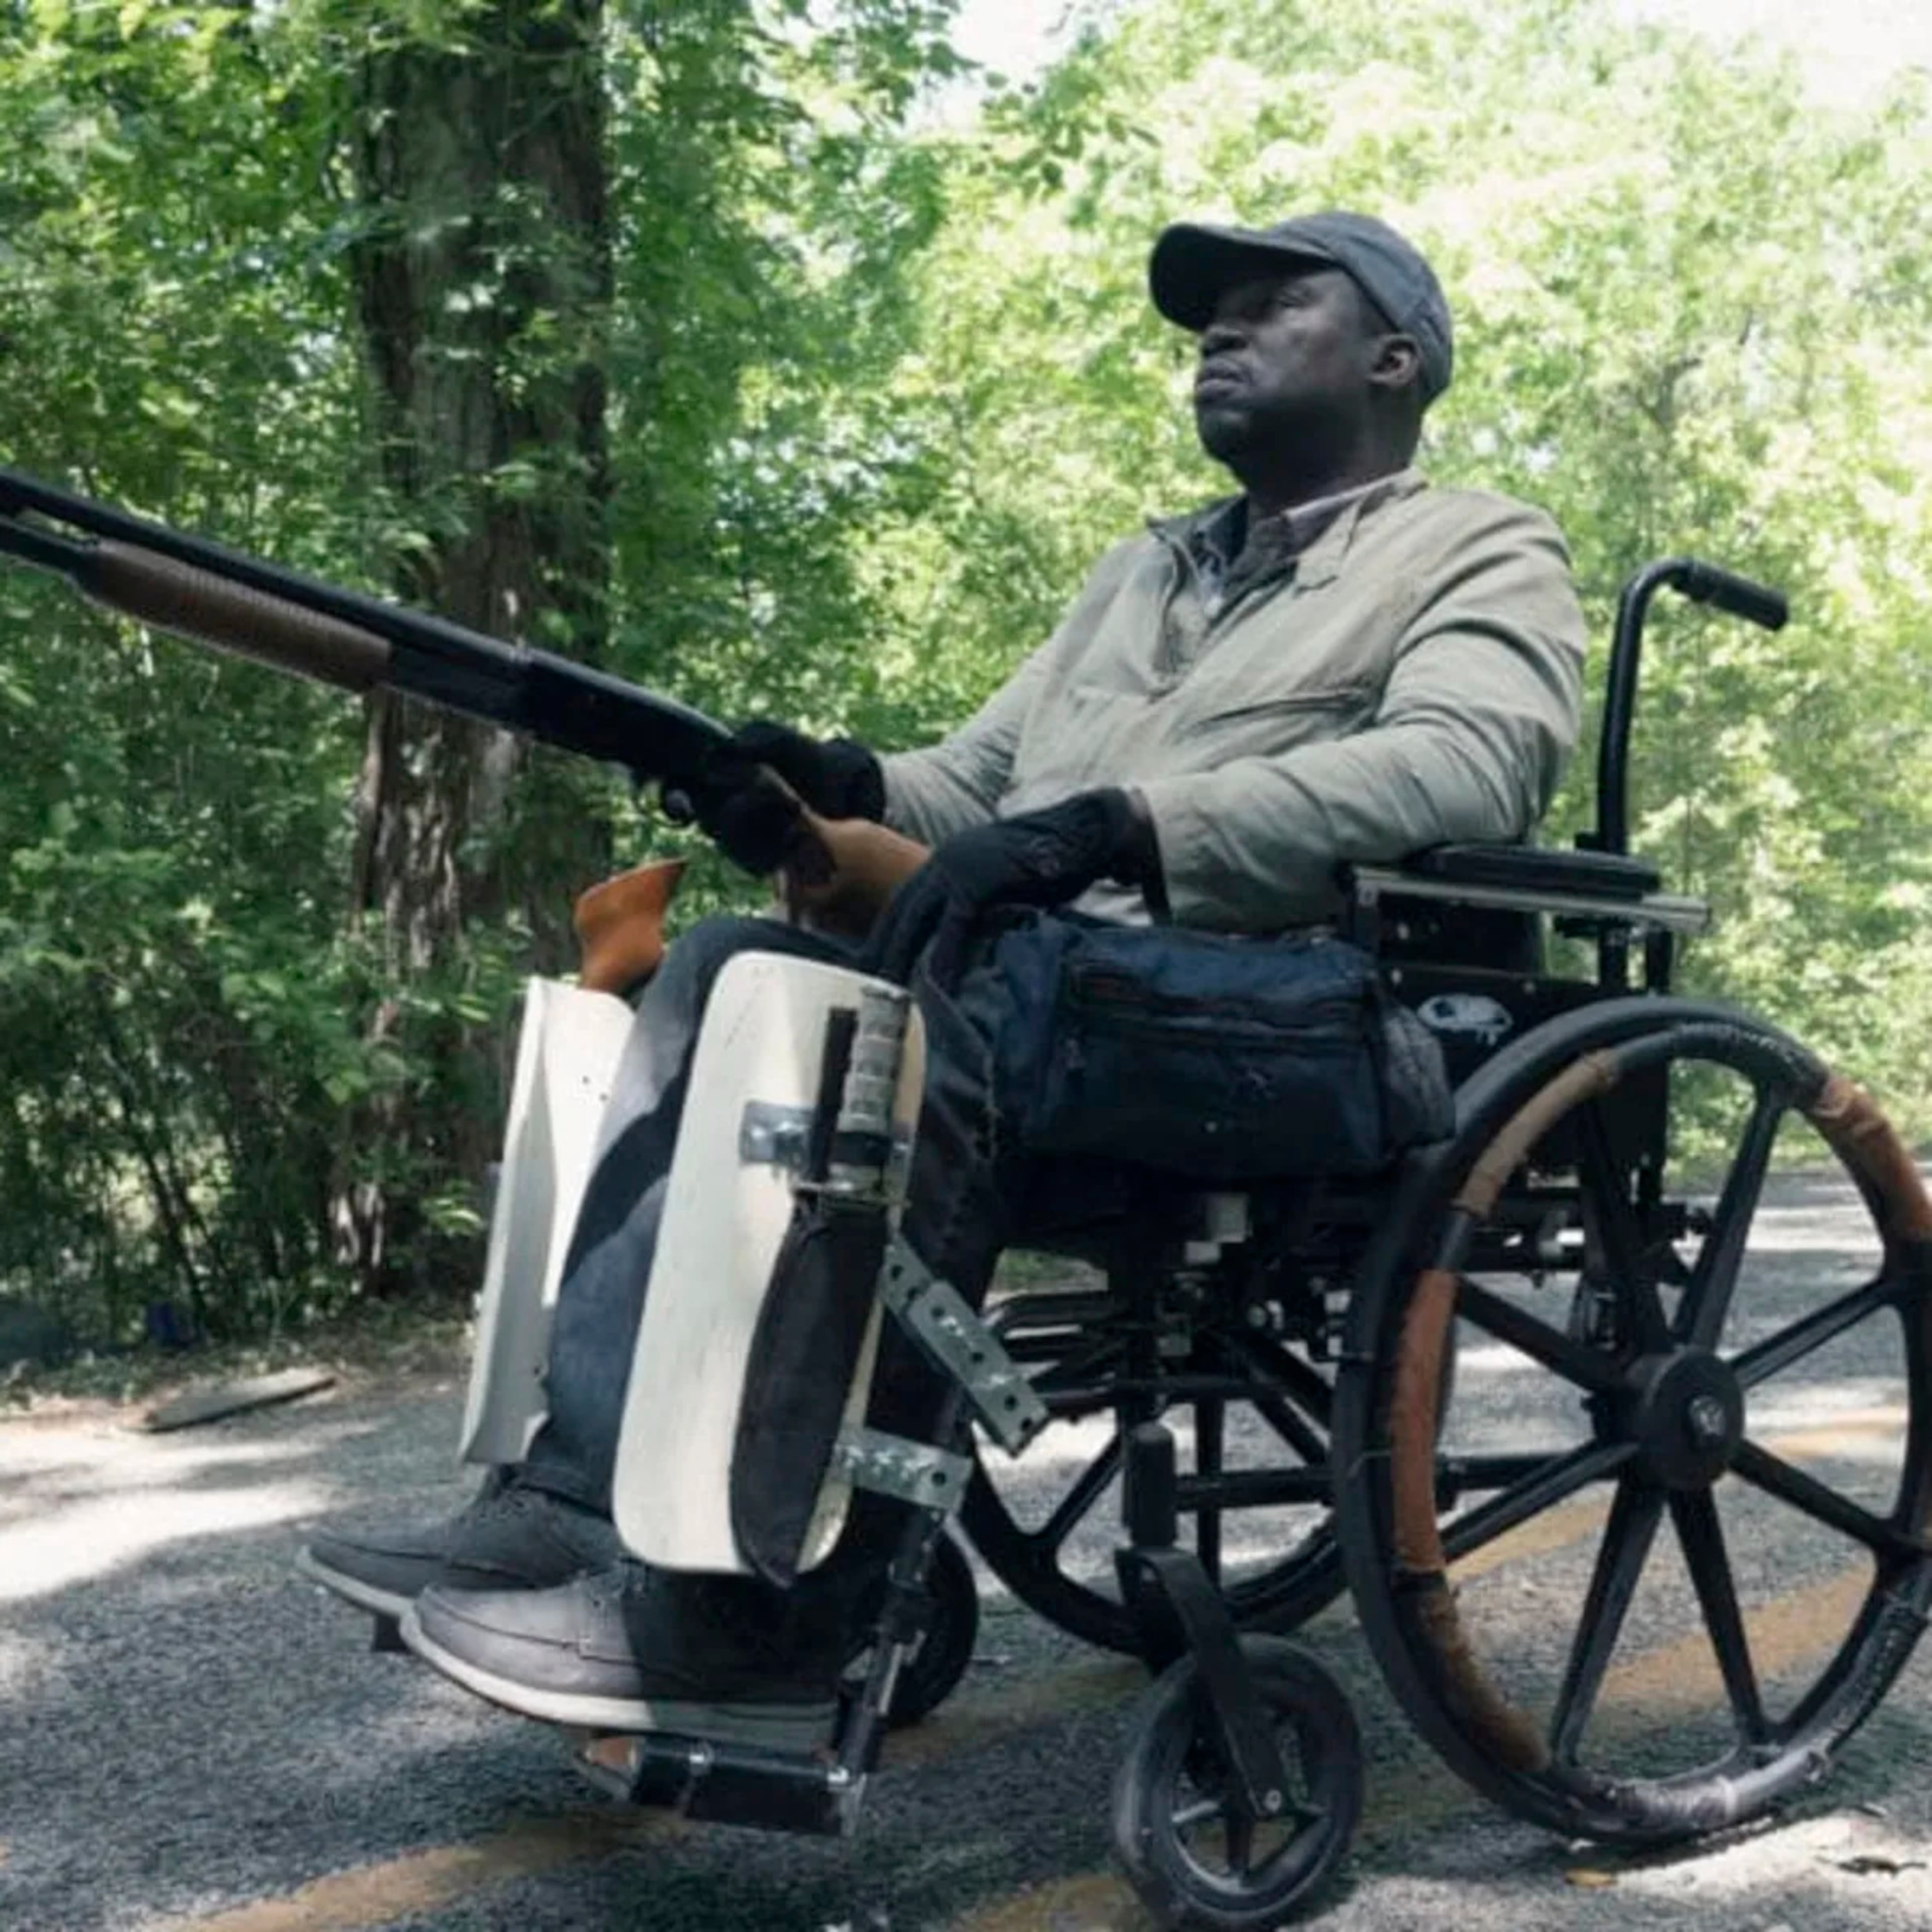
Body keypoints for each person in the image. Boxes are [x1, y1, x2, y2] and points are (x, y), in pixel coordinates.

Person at [299, 210, 1588, 1747]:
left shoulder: (1481, 543)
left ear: (1396, 356)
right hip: (1062, 988)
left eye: (1270, 305)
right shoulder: (1145, 570)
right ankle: (572, 1509)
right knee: (723, 968)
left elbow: (1474, 762)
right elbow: (972, 788)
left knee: (937, 1034)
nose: (1217, 334)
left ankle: (784, 1611)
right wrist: (828, 781)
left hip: (1288, 1011)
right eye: (1207, 316)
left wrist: (1125, 827)